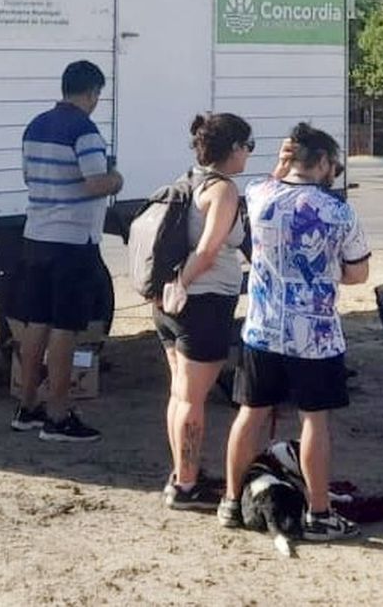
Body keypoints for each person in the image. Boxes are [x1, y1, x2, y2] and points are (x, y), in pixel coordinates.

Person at [220, 123, 370, 542]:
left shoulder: (258, 194)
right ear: (322, 162)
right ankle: (319, 513)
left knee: (250, 413)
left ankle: (231, 500)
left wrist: (280, 165)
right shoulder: (339, 212)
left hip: (263, 328)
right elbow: (358, 272)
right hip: (315, 334)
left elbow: (268, 181)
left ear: (290, 158)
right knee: (314, 422)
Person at [9, 60, 123, 443]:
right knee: (65, 329)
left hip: (36, 234)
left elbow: (28, 177)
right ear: (90, 92)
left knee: (35, 324)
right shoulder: (84, 130)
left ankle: (27, 407)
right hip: (72, 241)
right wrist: (116, 179)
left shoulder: (35, 125)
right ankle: (57, 415)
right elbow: (94, 183)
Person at [155, 113, 253, 510]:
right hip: (203, 301)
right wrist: (184, 283)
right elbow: (210, 249)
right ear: (232, 149)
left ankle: (182, 473)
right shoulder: (223, 190)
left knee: (180, 393)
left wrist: (170, 287)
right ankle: (187, 484)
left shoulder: (188, 179)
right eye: (248, 146)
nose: (248, 154)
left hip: (170, 305)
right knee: (193, 397)